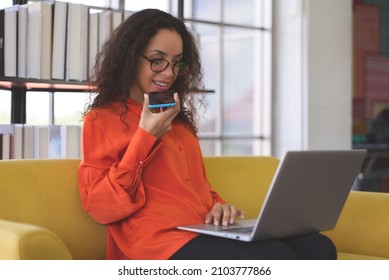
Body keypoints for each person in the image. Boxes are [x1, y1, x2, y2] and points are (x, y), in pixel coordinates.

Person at [78, 9, 337, 260]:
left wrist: (217, 206)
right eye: (157, 60)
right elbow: (100, 206)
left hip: (201, 230)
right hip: (155, 244)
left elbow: (198, 189)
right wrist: (146, 136)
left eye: (177, 62)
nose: (168, 73)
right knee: (275, 257)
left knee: (319, 247)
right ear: (131, 57)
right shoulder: (102, 119)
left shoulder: (178, 121)